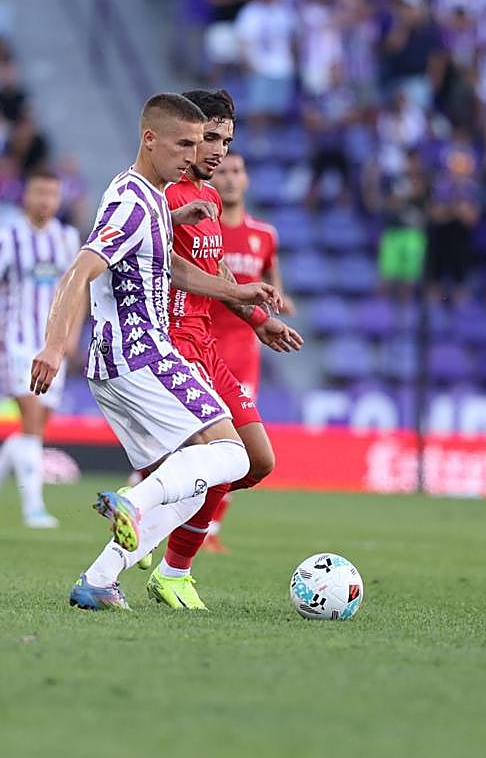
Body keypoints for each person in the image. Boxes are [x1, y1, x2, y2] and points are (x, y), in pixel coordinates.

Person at [28, 93, 283, 610]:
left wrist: (238, 294)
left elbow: (171, 268)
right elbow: (81, 268)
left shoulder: (151, 196)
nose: (195, 156)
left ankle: (99, 580)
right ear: (150, 139)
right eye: (185, 144)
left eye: (201, 143)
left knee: (196, 481)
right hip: (142, 353)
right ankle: (135, 501)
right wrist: (54, 346)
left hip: (122, 362)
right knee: (232, 455)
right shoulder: (133, 202)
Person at [144, 89, 303, 609]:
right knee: (223, 458)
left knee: (257, 462)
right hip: (173, 344)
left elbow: (217, 270)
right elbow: (174, 270)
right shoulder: (162, 196)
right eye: (210, 138)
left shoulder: (209, 199)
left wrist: (259, 320)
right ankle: (173, 570)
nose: (217, 151)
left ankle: (157, 511)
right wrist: (243, 296)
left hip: (209, 345)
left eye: (226, 141)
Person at [0, 169, 80, 529]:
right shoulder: (7, 239)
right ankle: (33, 507)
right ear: (26, 196)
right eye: (40, 192)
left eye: (52, 194)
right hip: (17, 342)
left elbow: (78, 289)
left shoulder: (68, 239)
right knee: (33, 419)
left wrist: (71, 334)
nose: (46, 200)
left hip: (52, 344)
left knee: (34, 427)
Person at [194, 150, 295, 553]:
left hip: (243, 355)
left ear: (247, 179)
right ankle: (153, 495)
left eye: (237, 171)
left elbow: (271, 276)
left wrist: (279, 299)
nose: (231, 178)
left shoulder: (264, 235)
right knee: (201, 443)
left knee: (238, 446)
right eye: (223, 171)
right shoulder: (202, 227)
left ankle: (209, 530)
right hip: (201, 344)